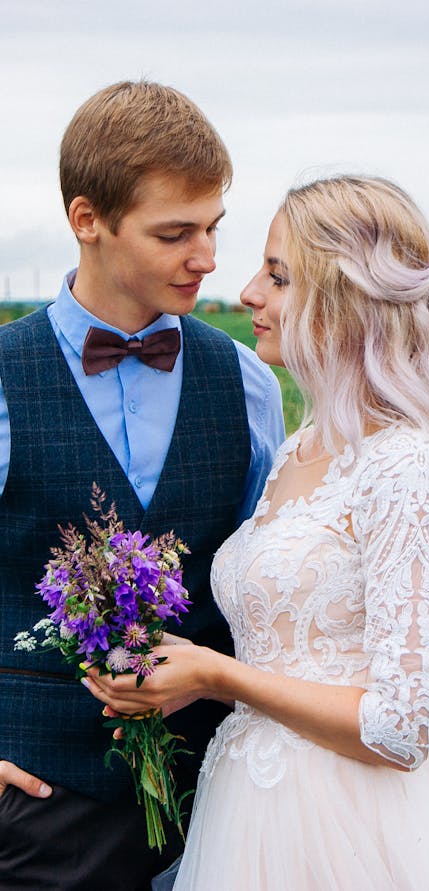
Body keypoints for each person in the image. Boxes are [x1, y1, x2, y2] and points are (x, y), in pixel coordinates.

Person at [86, 174, 429, 890]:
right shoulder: (297, 449)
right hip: (249, 812)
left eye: (278, 276)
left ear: (344, 300)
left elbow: (404, 727)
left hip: (356, 827)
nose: (247, 292)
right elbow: (293, 643)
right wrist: (183, 666)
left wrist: (218, 675)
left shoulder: (403, 465)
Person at [0, 80, 284, 891]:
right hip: (37, 815)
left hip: (223, 811)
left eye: (212, 227)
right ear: (87, 219)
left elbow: (259, 586)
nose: (207, 258)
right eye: (175, 233)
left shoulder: (249, 384)